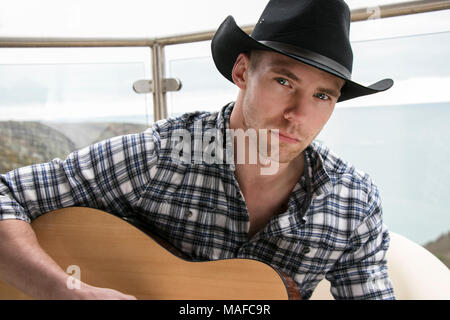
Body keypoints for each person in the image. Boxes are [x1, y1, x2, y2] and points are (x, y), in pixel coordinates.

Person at [0, 0, 395, 300]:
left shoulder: (352, 201)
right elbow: (6, 194)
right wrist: (62, 289)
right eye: (284, 82)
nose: (298, 116)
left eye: (323, 95)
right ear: (242, 72)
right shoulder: (162, 155)